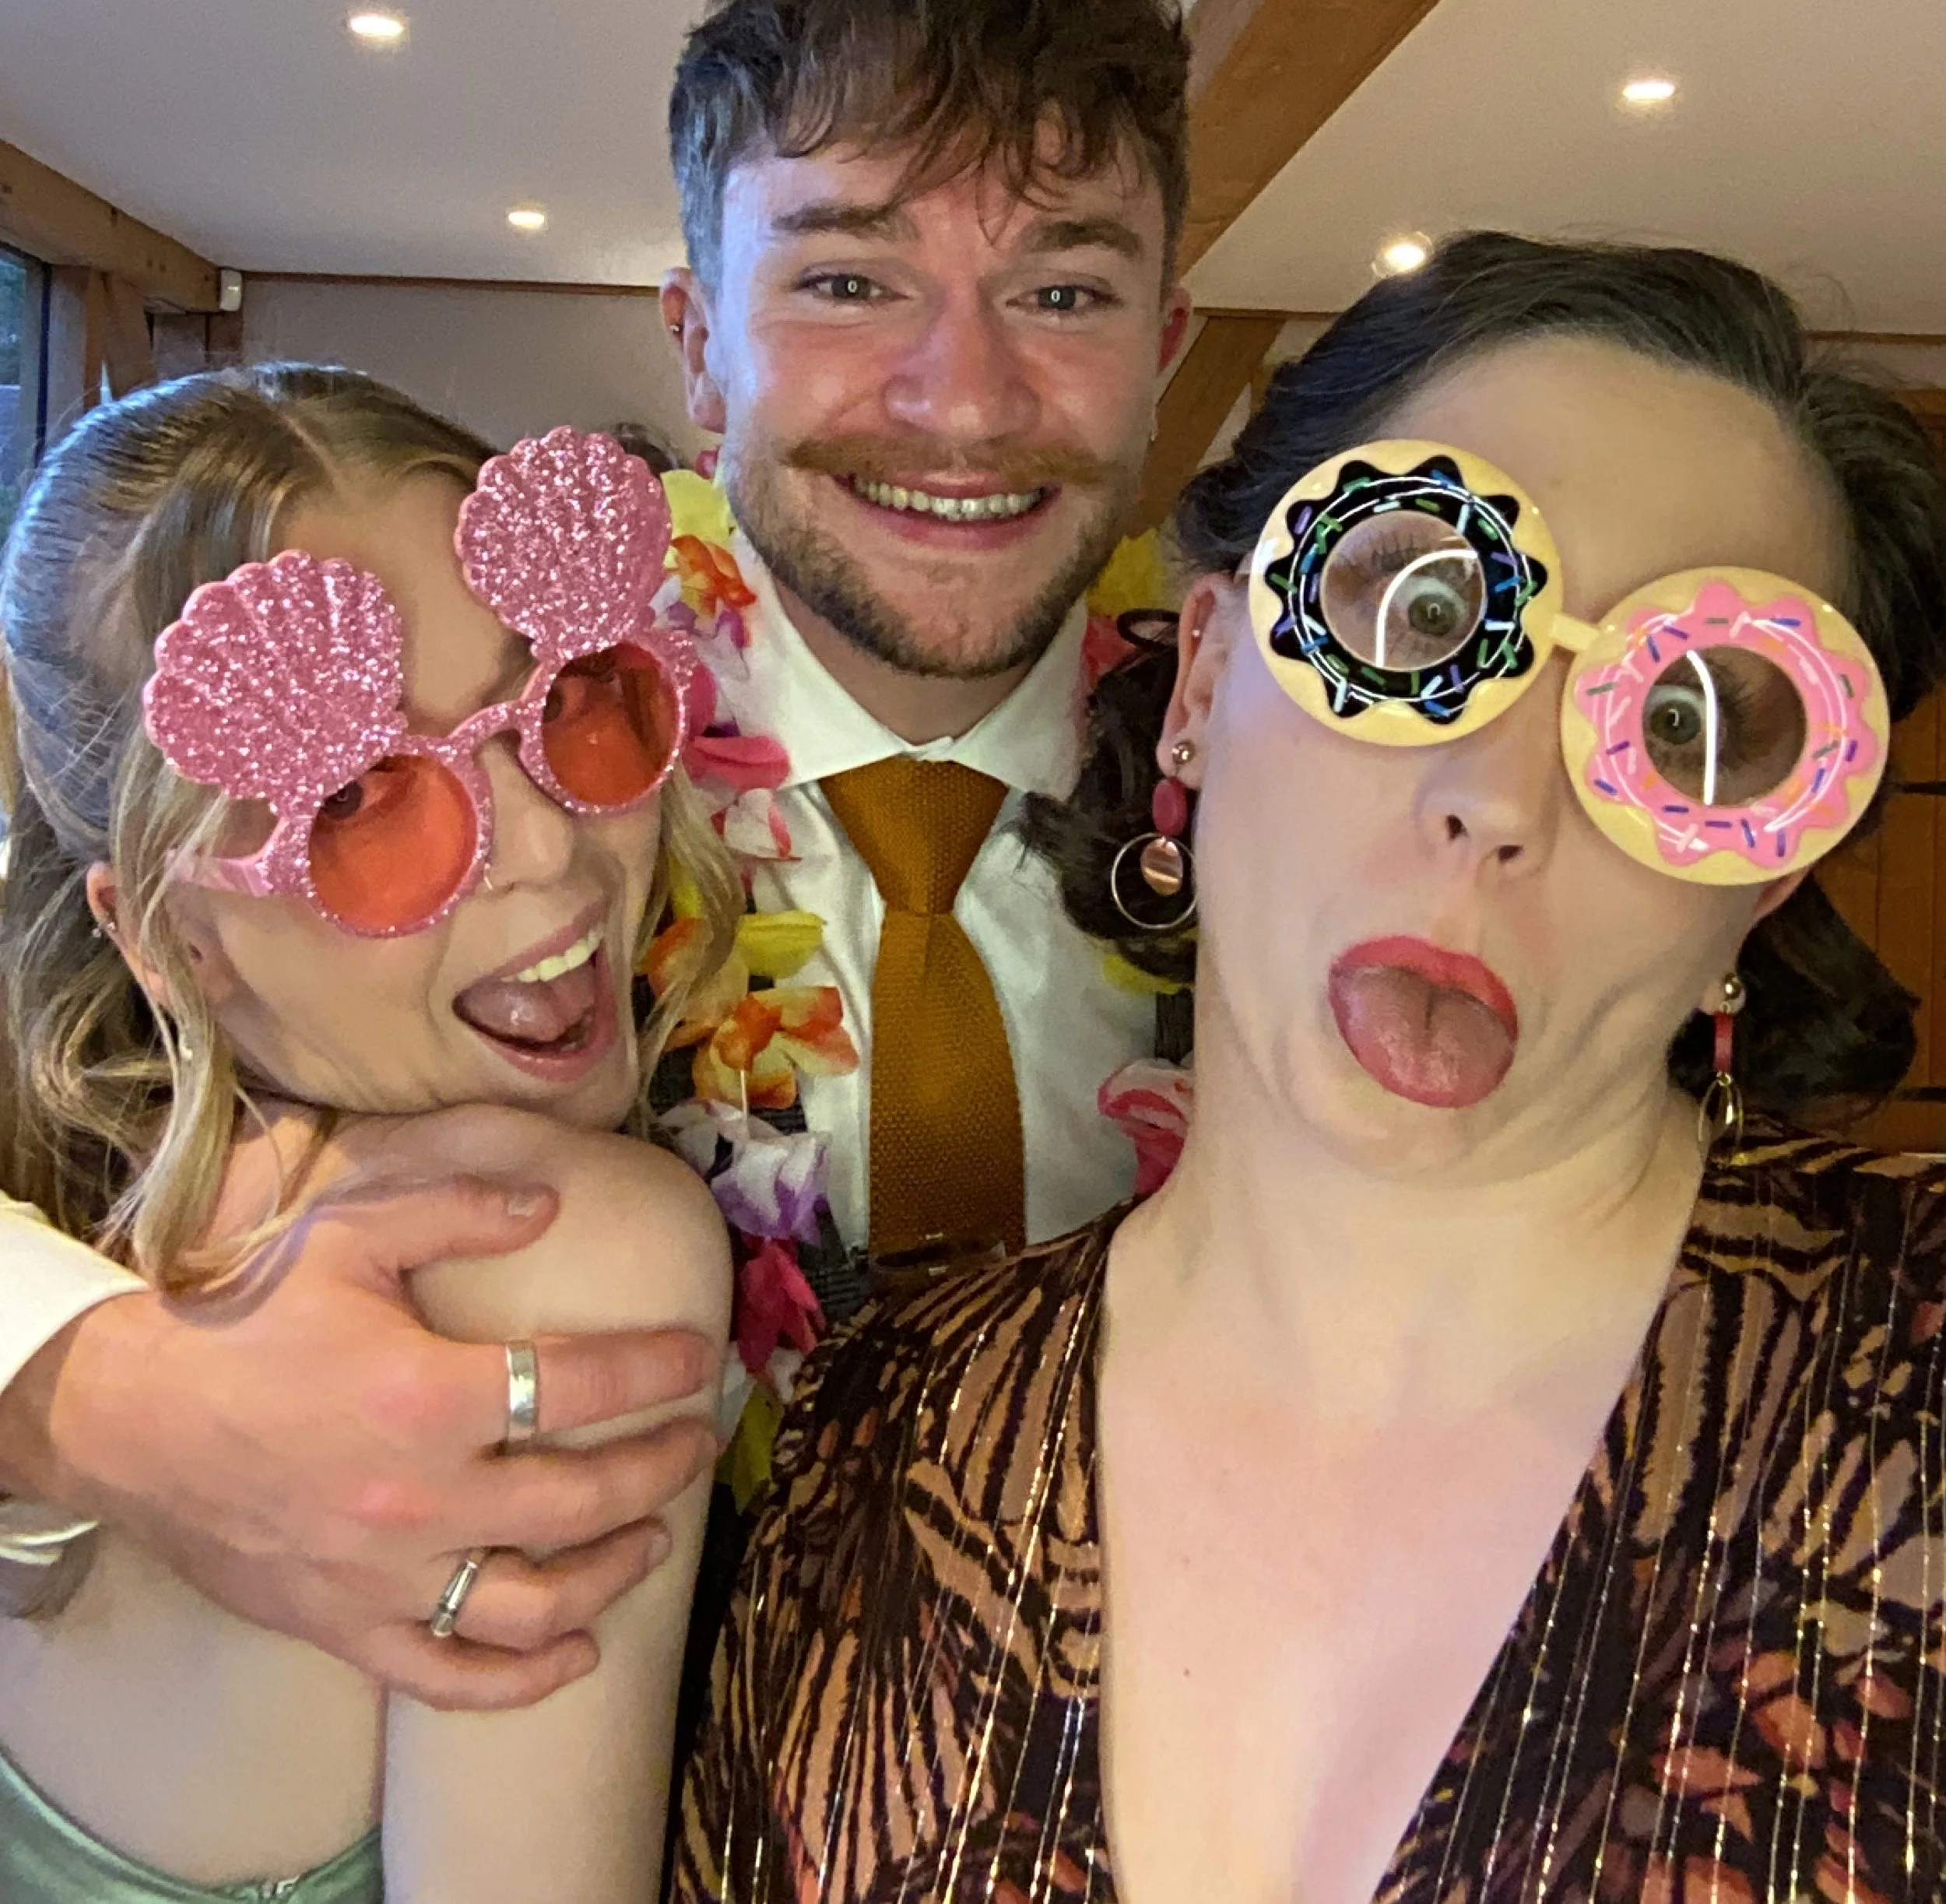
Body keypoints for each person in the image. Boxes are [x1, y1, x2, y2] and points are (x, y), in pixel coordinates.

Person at [0, 0, 1193, 1695]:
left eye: (1062, 293)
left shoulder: (1302, 773)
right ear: (698, 348)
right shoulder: (517, 718)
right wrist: (95, 1392)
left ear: (1165, 353)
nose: (961, 400)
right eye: (848, 279)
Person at [676, 230, 1946, 1904]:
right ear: (1205, 680)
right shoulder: (883, 1427)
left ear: (1759, 886)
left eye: (1686, 724)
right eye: (1425, 613)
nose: (1500, 800)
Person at [0, 369, 743, 1899]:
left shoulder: (87, 1219)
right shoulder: (562, 1252)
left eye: (574, 704)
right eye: (360, 800)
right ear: (168, 941)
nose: (549, 847)